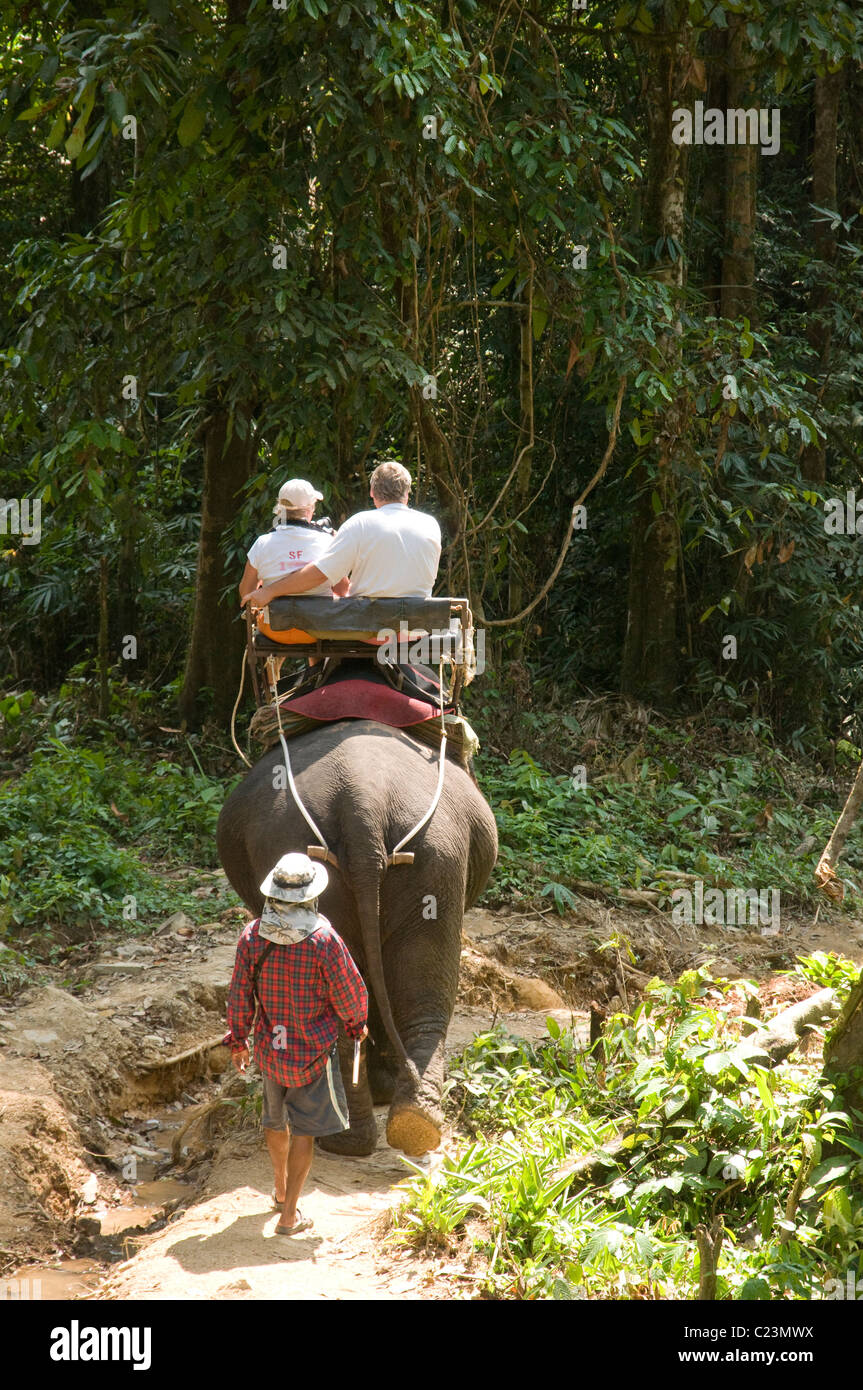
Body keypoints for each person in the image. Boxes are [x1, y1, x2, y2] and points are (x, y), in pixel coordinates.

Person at [223, 853, 368, 1237]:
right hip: (312, 1053)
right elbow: (350, 994)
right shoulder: (325, 941)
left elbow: (239, 995)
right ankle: (289, 1216)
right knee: (305, 1129)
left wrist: (239, 1040)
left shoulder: (252, 937)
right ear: (311, 897)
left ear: (273, 895)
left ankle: (279, 1188)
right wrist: (356, 1026)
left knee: (275, 1120)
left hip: (271, 1051)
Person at [240, 460, 441, 608]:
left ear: (372, 492)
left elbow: (321, 574)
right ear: (407, 492)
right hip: (417, 626)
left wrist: (270, 591)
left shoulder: (359, 523)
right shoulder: (431, 524)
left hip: (369, 628)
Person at [238, 478, 351, 605]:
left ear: (280, 509)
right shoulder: (327, 541)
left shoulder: (262, 544)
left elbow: (246, 593)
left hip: (275, 624)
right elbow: (342, 590)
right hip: (318, 623)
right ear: (310, 508)